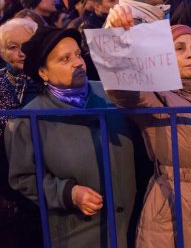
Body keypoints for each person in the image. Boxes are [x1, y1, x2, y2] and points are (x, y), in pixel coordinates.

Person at [106, 25, 191, 248]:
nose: (190, 54)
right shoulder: (156, 94)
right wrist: (115, 33)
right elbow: (120, 87)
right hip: (173, 204)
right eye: (179, 48)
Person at [5, 27, 137, 248]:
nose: (77, 63)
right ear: (43, 72)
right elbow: (23, 178)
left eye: (78, 55)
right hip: (78, 235)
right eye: (64, 59)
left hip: (132, 229)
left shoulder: (111, 94)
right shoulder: (30, 119)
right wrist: (68, 193)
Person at [0, 18, 41, 247]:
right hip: (9, 189)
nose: (21, 53)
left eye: (26, 46)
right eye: (12, 47)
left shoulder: (54, 80)